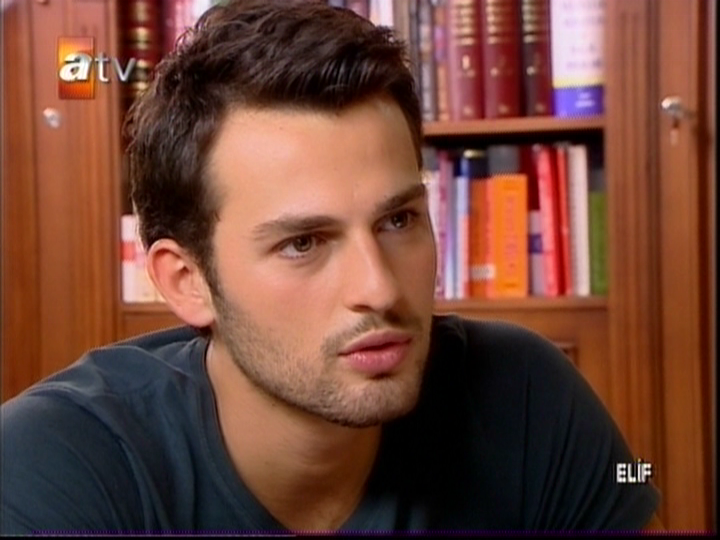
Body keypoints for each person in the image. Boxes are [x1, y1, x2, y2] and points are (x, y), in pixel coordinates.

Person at [1, 0, 662, 534]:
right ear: (186, 280)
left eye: (398, 221)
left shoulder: (525, 396)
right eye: (304, 243)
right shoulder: (51, 469)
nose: (379, 288)